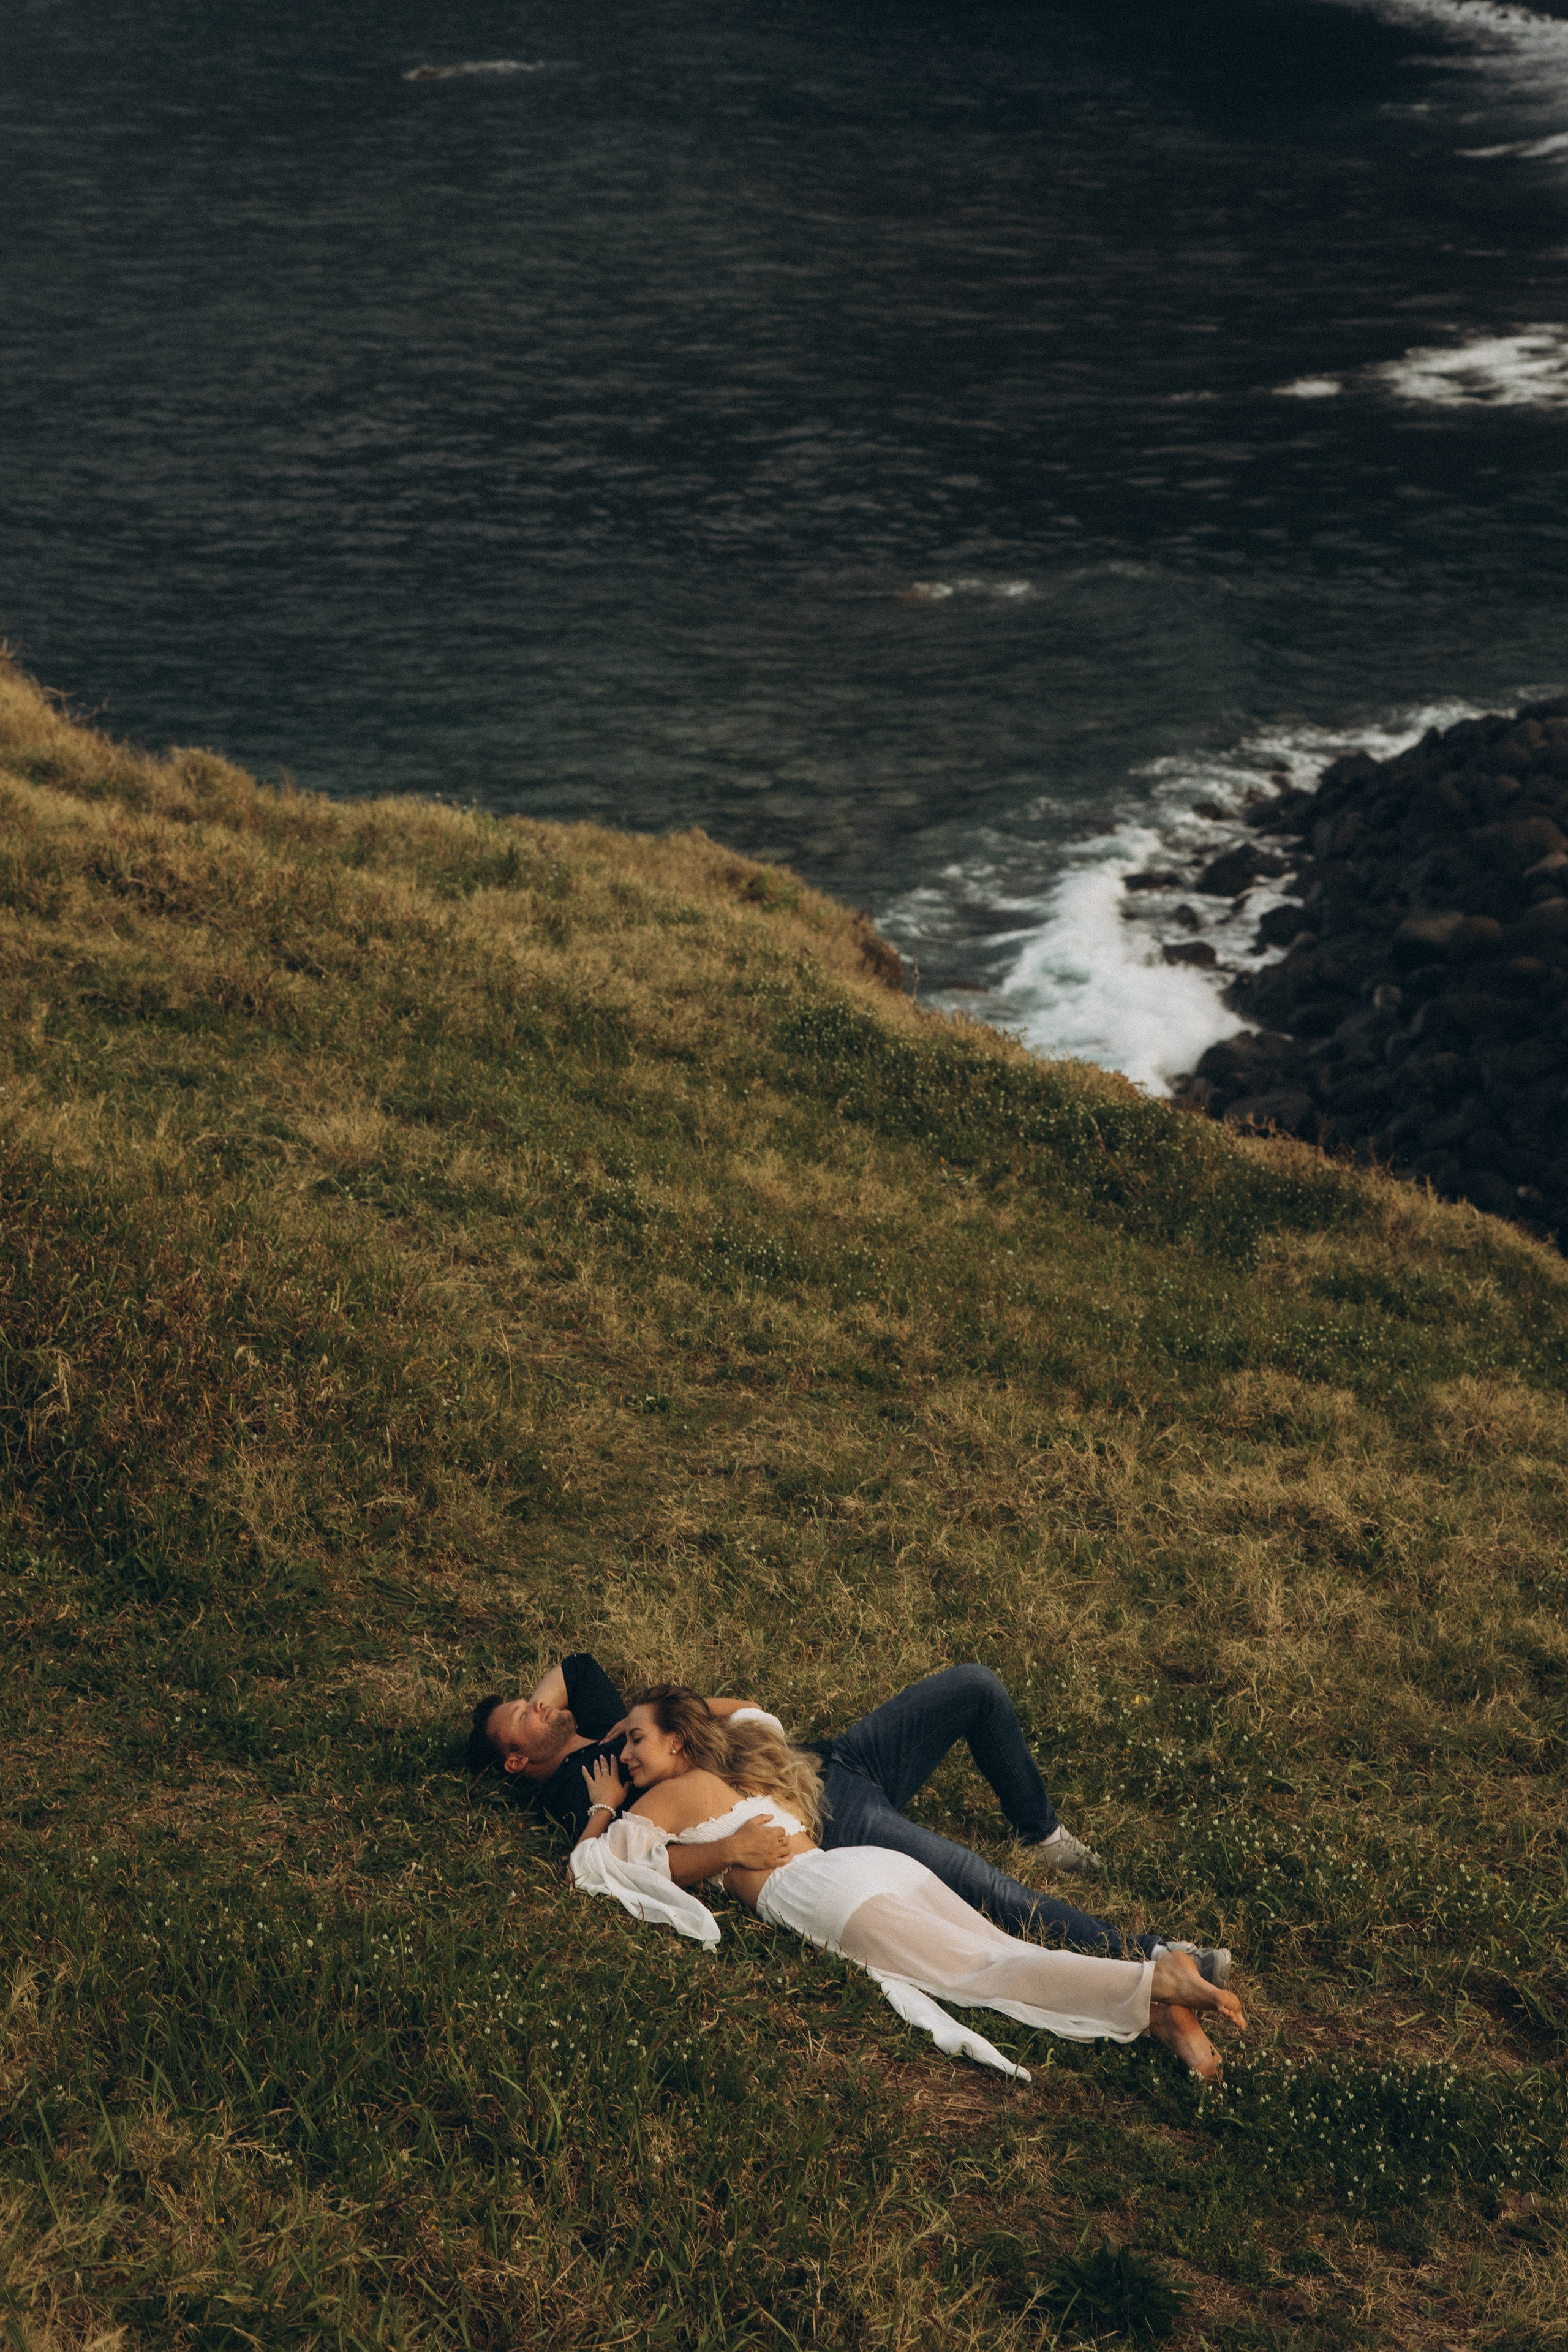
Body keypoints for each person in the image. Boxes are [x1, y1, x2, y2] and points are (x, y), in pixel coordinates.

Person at [568, 1686, 1246, 2082]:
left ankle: (1157, 1980)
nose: (622, 1756)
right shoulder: (746, 1774)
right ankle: (1162, 2012)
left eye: (634, 1740)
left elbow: (601, 1870)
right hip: (867, 1870)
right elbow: (744, 1715)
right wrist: (675, 1726)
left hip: (823, 1894)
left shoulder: (669, 1796)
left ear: (681, 1744)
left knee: (988, 1971)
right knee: (993, 1948)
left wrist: (609, 1809)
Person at [467, 1653, 1229, 1983]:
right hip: (825, 1817)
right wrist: (612, 1784)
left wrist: (603, 1721)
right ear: (513, 1761)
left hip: (834, 1760)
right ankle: (1156, 1955)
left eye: (530, 1701)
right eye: (522, 1722)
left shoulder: (598, 1728)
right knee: (983, 1887)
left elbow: (578, 1669)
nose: (538, 1708)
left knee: (974, 1685)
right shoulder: (575, 1786)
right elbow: (608, 1857)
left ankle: (1043, 1828)